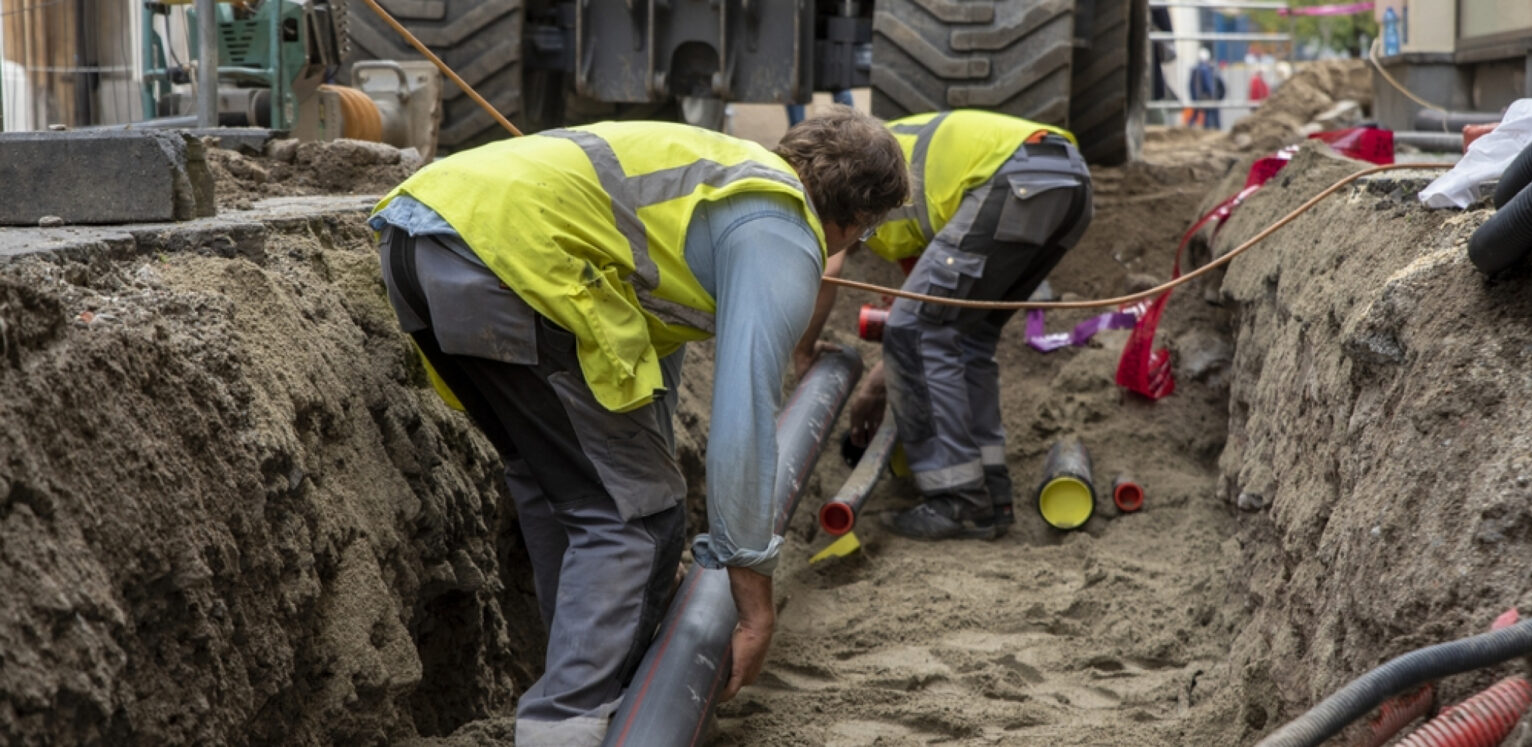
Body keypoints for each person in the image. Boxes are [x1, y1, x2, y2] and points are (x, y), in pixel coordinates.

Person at [370, 110, 908, 745]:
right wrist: (752, 599)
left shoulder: (716, 187)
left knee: (567, 490)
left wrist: (648, 586)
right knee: (633, 517)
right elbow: (746, 416)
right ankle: (568, 722)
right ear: (856, 216)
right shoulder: (780, 229)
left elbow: (648, 375)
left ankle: (586, 685)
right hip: (508, 260)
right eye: (866, 235)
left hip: (419, 240)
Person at [794, 109, 1094, 541]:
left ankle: (957, 501)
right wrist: (881, 383)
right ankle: (991, 494)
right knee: (967, 336)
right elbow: (927, 321)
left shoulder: (835, 179)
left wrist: (803, 351)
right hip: (1067, 183)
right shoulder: (906, 202)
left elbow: (828, 270)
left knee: (924, 333)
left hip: (1015, 178)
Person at [1188, 47, 1224, 129]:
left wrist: (1193, 97)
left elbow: (1190, 85)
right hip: (1206, 96)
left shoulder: (1195, 69)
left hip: (1197, 96)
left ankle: (1190, 126)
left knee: (1197, 113)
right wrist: (1212, 93)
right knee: (1210, 113)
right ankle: (1214, 129)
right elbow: (1208, 83)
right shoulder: (1205, 69)